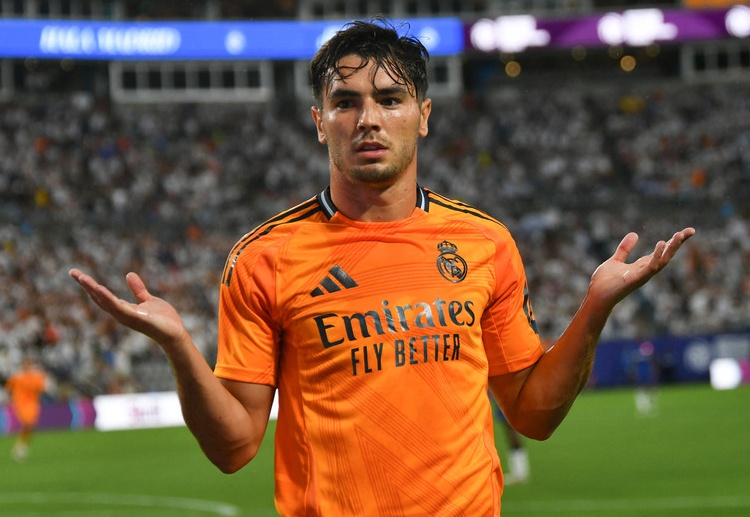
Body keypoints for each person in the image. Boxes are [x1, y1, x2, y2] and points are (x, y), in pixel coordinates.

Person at [69, 19, 695, 516]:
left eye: (390, 99)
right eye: (345, 102)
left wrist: (594, 309)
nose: (368, 118)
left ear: (423, 115)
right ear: (320, 123)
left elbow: (532, 414)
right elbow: (234, 448)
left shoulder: (483, 242)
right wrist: (179, 347)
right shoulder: (263, 258)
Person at [5, 356, 47, 461]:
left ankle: (22, 445)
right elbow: (9, 387)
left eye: (29, 364)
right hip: (20, 403)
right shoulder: (17, 376)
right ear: (23, 365)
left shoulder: (37, 376)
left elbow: (42, 390)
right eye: (25, 364)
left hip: (33, 403)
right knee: (27, 423)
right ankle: (20, 447)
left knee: (30, 425)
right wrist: (9, 398)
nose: (27, 366)